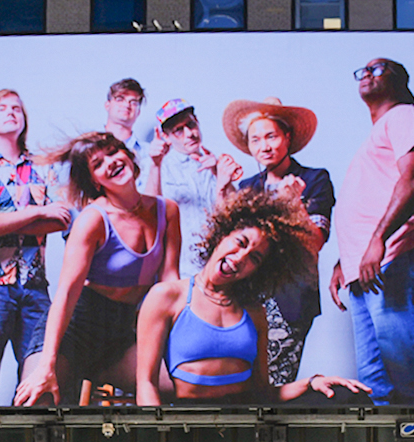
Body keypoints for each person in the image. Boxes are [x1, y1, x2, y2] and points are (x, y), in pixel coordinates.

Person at [134, 188, 369, 406]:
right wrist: (157, 439)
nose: (240, 258)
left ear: (258, 271)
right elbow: (146, 383)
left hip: (245, 417)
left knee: (347, 397)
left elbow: (263, 392)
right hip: (192, 419)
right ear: (221, 236)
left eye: (254, 258)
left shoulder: (254, 311)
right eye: (240, 243)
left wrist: (312, 382)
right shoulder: (167, 296)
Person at [13, 133, 180, 406]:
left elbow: (169, 283)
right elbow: (66, 295)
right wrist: (47, 364)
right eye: (98, 164)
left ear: (128, 154)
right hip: (77, 325)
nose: (111, 163)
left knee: (187, 382)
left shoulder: (167, 211)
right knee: (35, 400)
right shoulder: (92, 220)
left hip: (125, 331)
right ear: (94, 181)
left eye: (115, 152)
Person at [330, 58, 414, 405]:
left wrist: (377, 240)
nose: (367, 74)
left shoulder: (406, 116)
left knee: (412, 374)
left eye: (378, 69)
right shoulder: (375, 137)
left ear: (401, 81)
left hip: (399, 256)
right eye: (362, 71)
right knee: (376, 386)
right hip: (368, 268)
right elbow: (371, 201)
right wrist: (344, 262)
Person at [0, 89, 73, 406]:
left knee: (40, 377)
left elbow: (61, 218)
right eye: (2, 108)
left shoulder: (43, 166)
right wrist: (37, 212)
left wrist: (2, 221)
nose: (12, 113)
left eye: (17, 109)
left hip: (36, 287)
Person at [225, 98, 335, 385]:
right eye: (255, 139)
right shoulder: (246, 187)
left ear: (288, 137)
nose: (265, 146)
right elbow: (229, 241)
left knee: (275, 384)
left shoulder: (314, 180)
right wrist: (223, 188)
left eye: (271, 136)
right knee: (238, 380)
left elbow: (315, 242)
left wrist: (295, 204)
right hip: (247, 297)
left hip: (289, 297)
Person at [145, 99, 244, 275]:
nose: (189, 133)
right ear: (166, 137)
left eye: (191, 125)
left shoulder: (217, 161)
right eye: (178, 131)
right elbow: (148, 214)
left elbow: (238, 211)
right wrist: (155, 165)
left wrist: (220, 175)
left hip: (221, 266)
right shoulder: (158, 167)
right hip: (181, 270)